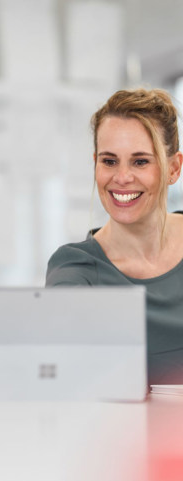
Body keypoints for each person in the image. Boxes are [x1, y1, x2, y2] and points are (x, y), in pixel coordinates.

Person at [46, 88, 183, 385]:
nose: (121, 178)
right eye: (109, 161)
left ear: (174, 168)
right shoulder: (75, 268)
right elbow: (62, 370)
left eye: (140, 161)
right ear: (95, 162)